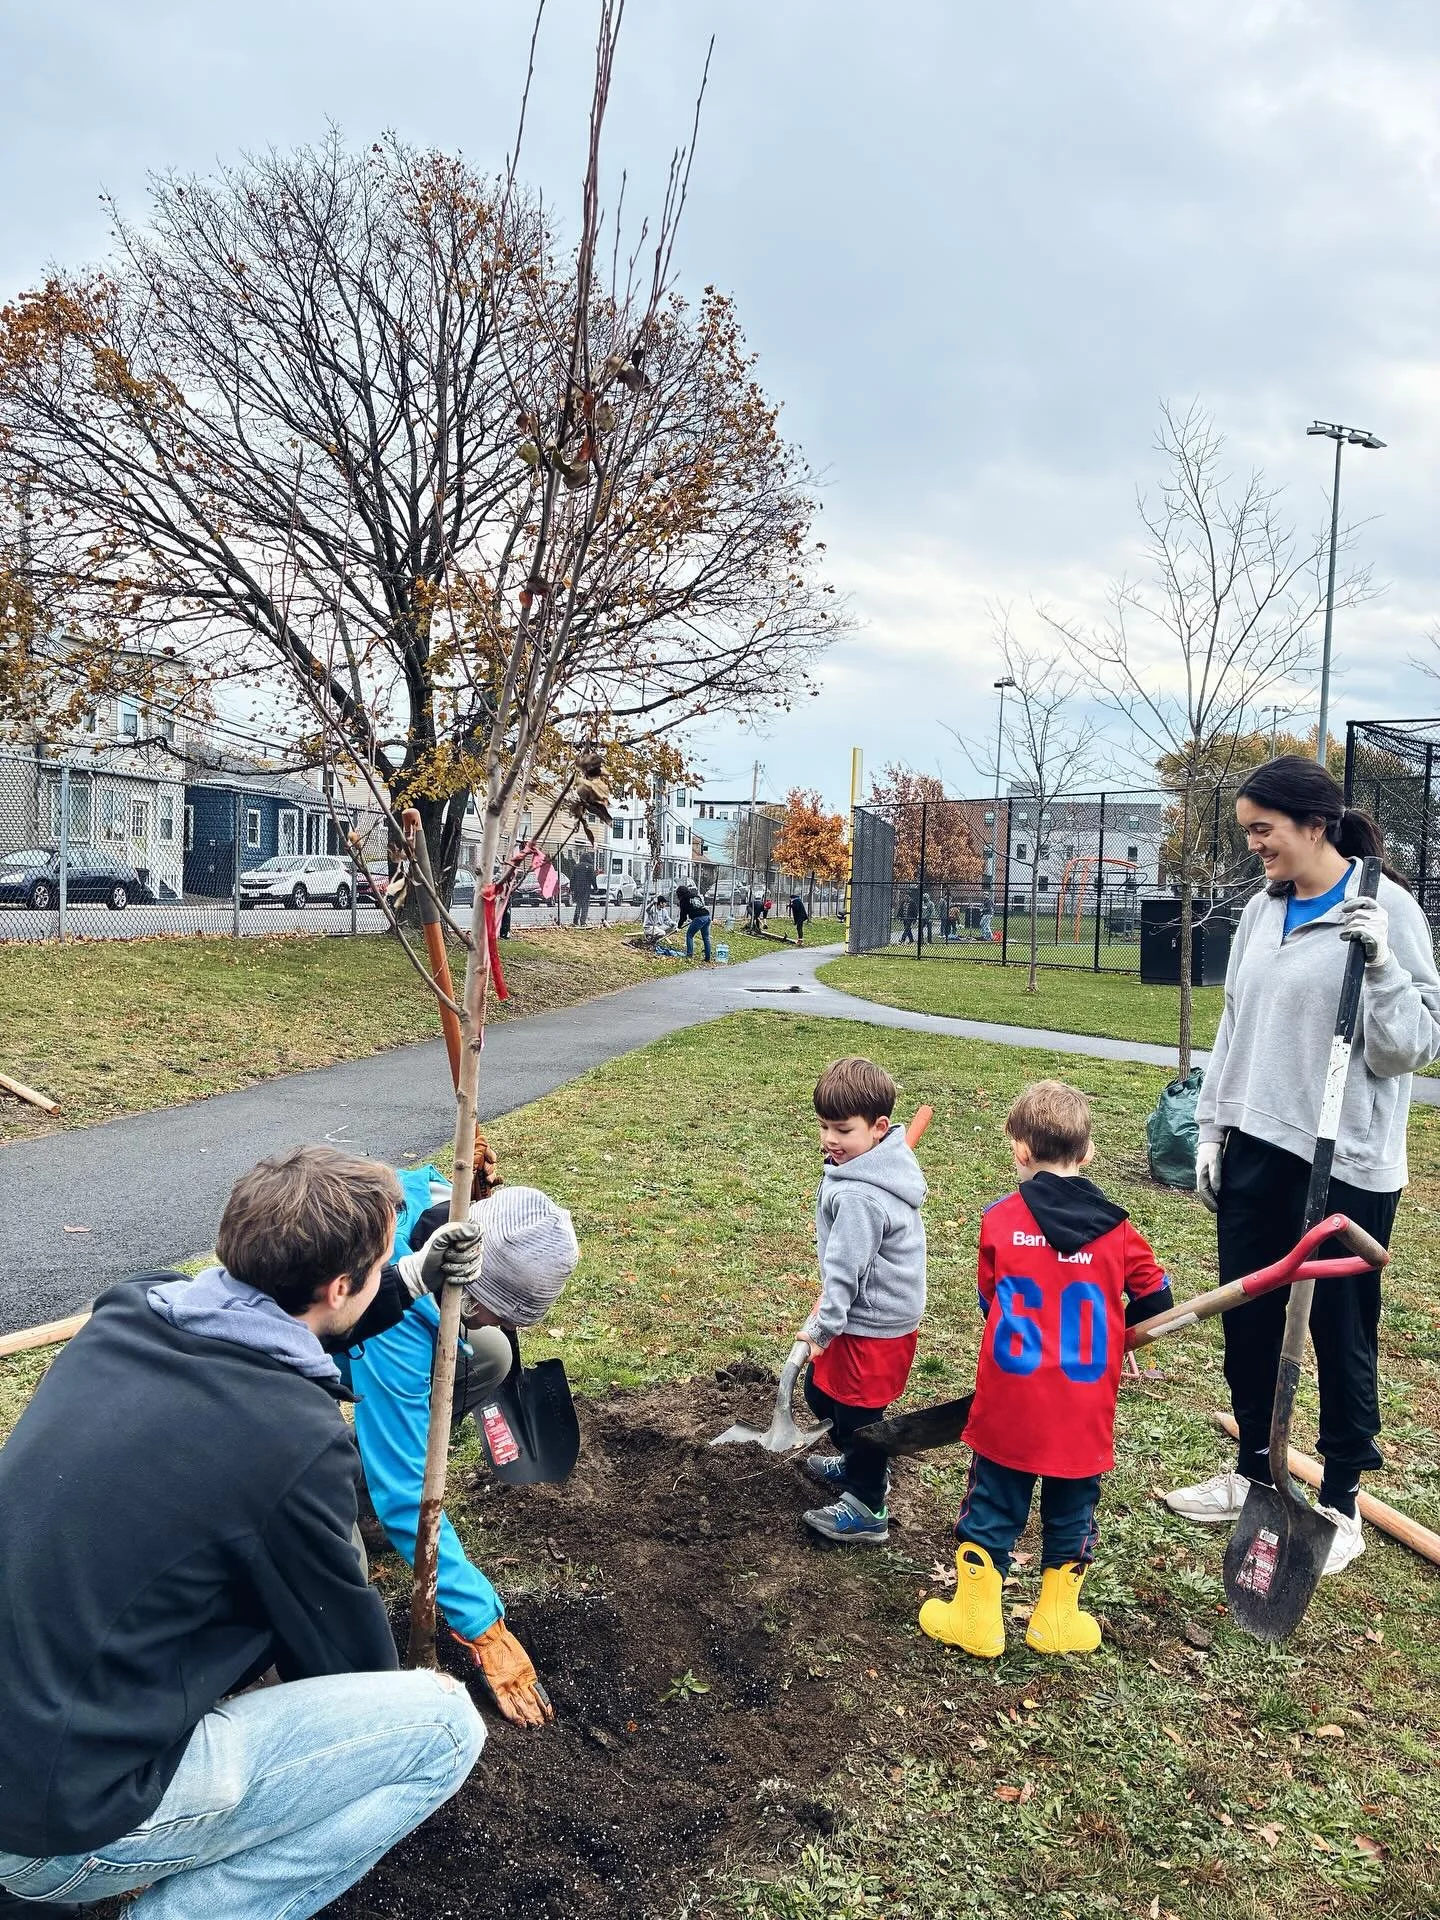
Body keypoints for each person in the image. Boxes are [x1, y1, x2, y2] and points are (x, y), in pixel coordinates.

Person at [0, 1147, 489, 1919]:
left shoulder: (133, 1308)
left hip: (22, 1738)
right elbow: (344, 1670)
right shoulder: (293, 1443)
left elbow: (266, 1327)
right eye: (380, 1262)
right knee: (439, 1728)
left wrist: (408, 1279)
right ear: (338, 1285)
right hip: (49, 1823)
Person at [1164, 756, 1440, 1571]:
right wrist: (1213, 1127)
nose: (1254, 846)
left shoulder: (1385, 908)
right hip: (1256, 1142)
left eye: (1264, 830)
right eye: (1248, 830)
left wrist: (1385, 967)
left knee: (1337, 1329)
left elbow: (1414, 1048)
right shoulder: (1262, 909)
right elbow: (1234, 1022)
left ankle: (1340, 1501)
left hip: (1343, 1160)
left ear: (1314, 825)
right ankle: (1253, 1473)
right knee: (1248, 1321)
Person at [919, 1081, 1172, 1660]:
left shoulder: (999, 1220)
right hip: (1083, 1408)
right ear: (1085, 1154)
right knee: (1073, 1506)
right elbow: (1156, 1296)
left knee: (993, 1503)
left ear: (1020, 1151)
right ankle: (1056, 1620)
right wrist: (1121, 1332)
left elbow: (991, 1303)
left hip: (1011, 1402)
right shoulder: (1120, 1230)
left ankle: (976, 1619)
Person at [345, 1165, 579, 1725]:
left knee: (492, 1353)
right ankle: (347, 1501)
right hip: (294, 1364)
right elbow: (409, 1494)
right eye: (500, 1309)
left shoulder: (451, 1204)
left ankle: (360, 1491)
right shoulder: (391, 1326)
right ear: (469, 1294)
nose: (500, 1320)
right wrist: (482, 1627)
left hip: (381, 1320)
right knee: (341, 1571)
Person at [798, 1057, 928, 1546]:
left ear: (879, 1128)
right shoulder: (865, 1164)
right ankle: (855, 1457)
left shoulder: (860, 1197)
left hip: (869, 1321)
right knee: (820, 1394)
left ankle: (868, 1506)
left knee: (857, 1416)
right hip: (861, 1311)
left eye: (842, 1129)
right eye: (824, 1126)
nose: (830, 1139)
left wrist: (821, 1328)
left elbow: (845, 1271)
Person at [675, 879, 713, 961]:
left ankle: (689, 955)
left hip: (699, 918)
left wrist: (679, 927)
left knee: (689, 935)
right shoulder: (696, 896)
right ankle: (707, 958)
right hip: (707, 916)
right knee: (706, 937)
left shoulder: (684, 900)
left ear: (680, 894)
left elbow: (683, 916)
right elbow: (699, 907)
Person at [571, 856, 594, 926]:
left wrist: (572, 888)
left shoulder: (576, 867)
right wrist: (595, 887)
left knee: (578, 904)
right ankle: (583, 921)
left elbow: (572, 878)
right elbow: (592, 878)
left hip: (577, 888)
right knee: (585, 905)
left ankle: (575, 920)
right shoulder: (590, 867)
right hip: (586, 888)